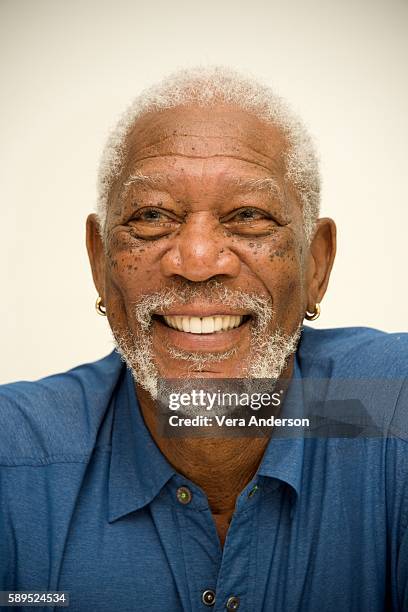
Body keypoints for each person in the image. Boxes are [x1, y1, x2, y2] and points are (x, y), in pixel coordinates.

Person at [0, 66, 407, 612]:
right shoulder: (17, 462)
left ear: (317, 264)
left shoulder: (384, 412)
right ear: (100, 262)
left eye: (248, 216)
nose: (195, 261)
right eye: (151, 216)